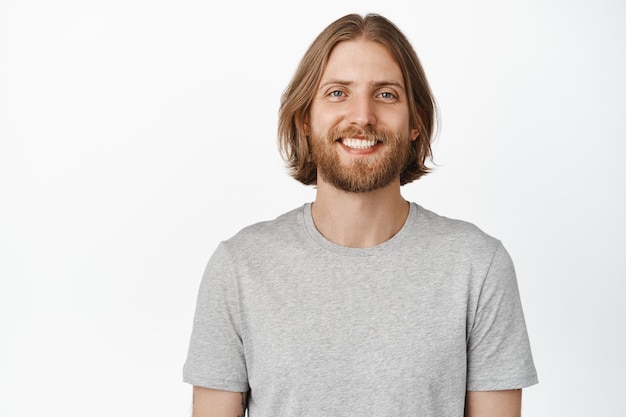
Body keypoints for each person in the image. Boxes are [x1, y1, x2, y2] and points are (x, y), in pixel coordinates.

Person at [183, 13, 538, 417]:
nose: (362, 116)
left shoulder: (478, 266)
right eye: (337, 93)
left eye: (386, 94)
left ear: (415, 123)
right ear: (305, 117)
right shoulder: (239, 268)